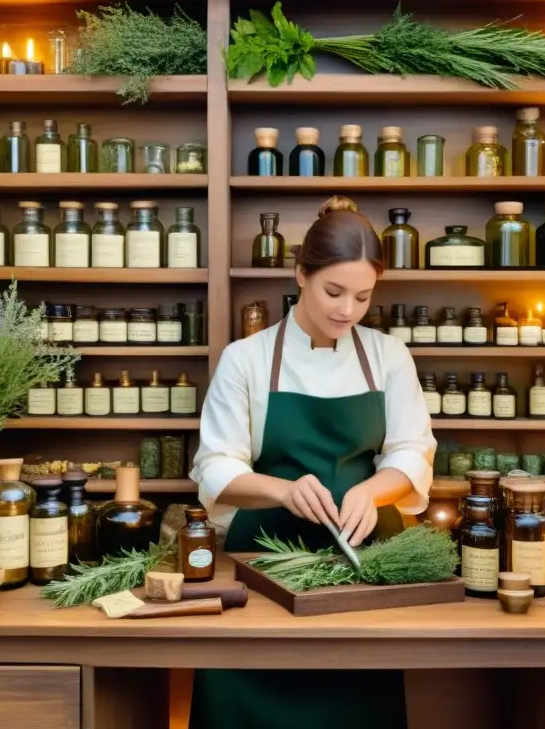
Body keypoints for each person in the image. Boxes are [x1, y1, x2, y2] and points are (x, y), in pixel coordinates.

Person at [188, 195, 436, 729]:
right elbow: (213, 467)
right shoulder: (246, 358)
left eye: (363, 297)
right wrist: (283, 491)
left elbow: (411, 452)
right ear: (300, 274)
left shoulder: (389, 356)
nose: (347, 310)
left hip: (365, 565)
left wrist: (371, 492)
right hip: (262, 564)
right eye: (333, 291)